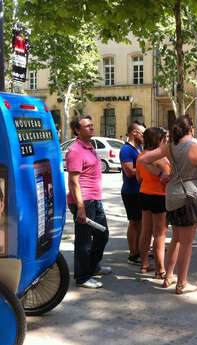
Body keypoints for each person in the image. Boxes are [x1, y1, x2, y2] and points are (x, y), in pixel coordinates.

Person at [140, 116, 197, 294]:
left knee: (176, 238)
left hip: (171, 196)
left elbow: (143, 160)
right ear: (192, 129)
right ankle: (182, 283)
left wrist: (161, 174)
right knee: (186, 243)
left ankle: (169, 275)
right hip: (189, 197)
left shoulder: (170, 146)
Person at [66, 115, 111, 289]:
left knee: (102, 235)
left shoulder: (89, 146)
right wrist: (81, 208)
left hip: (95, 199)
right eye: (87, 126)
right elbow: (73, 182)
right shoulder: (75, 151)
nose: (92, 128)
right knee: (84, 241)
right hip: (83, 202)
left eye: (92, 125)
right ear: (77, 130)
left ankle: (93, 267)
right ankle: (82, 277)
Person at [136, 127, 170, 276]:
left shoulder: (141, 156)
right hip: (159, 196)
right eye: (164, 138)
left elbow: (138, 178)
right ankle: (160, 269)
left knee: (146, 231)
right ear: (160, 140)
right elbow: (168, 179)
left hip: (144, 193)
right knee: (160, 234)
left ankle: (144, 265)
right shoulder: (160, 158)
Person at [120, 121, 145, 265]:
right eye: (142, 133)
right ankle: (133, 254)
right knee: (134, 223)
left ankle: (140, 251)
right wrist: (147, 168)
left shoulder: (139, 147)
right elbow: (129, 172)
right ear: (133, 133)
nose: (144, 136)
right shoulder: (126, 150)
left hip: (140, 191)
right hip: (130, 192)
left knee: (141, 223)